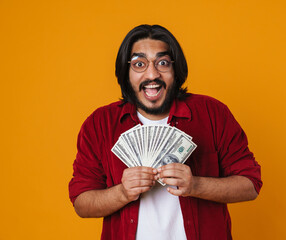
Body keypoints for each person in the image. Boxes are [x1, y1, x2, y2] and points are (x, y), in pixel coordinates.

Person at [69, 24, 262, 240]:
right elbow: (81, 204)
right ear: (126, 73)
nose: (152, 74)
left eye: (162, 63)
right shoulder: (100, 124)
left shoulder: (212, 113)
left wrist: (196, 185)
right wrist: (122, 193)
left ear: (175, 70)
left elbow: (250, 185)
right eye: (139, 64)